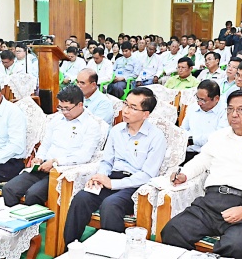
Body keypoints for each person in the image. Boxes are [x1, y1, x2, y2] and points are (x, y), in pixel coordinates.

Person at [160, 90, 242, 259]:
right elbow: (202, 160)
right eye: (230, 109)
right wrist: (184, 174)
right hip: (210, 203)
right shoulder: (219, 136)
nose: (234, 114)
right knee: (173, 230)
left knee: (237, 248)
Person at [62, 87, 166, 246]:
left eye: (133, 107)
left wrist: (113, 184)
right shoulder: (117, 131)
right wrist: (100, 177)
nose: (125, 110)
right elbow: (106, 162)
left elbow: (147, 175)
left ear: (145, 114)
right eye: (125, 104)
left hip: (135, 186)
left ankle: (112, 255)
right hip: (112, 178)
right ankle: (70, 248)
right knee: (81, 198)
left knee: (110, 205)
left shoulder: (156, 137)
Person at [2, 85, 103, 207]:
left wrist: (55, 162)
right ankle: (16, 223)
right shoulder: (56, 120)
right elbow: (46, 144)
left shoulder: (91, 125)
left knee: (33, 194)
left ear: (80, 105)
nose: (64, 112)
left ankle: (35, 225)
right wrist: (39, 158)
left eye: (67, 108)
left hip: (63, 172)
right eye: (61, 107)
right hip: (43, 166)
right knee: (9, 189)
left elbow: (84, 156)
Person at [181, 81, 228, 162]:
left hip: (212, 155)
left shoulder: (226, 111)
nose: (199, 103)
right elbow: (183, 129)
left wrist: (191, 140)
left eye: (203, 100)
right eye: (197, 98)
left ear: (216, 99)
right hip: (189, 151)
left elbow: (218, 137)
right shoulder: (192, 107)